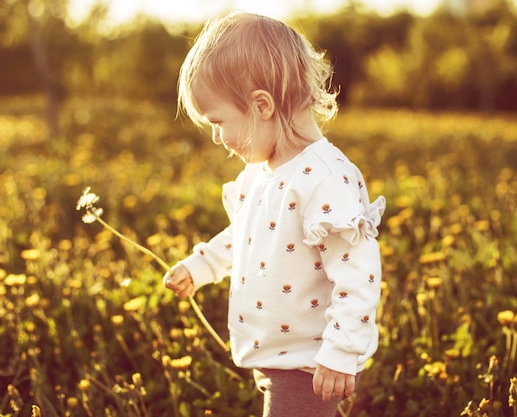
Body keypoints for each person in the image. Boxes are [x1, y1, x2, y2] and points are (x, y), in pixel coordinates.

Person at [163, 11, 385, 417]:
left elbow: (358, 273)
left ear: (261, 105)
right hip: (276, 354)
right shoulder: (258, 175)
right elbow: (243, 236)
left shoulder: (324, 178)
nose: (216, 137)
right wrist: (200, 266)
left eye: (218, 121)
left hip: (311, 361)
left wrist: (341, 350)